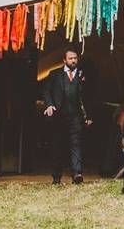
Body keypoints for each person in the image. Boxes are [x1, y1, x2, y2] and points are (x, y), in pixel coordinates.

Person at [43, 48, 92, 185]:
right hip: (58, 115)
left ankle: (77, 174)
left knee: (76, 144)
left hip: (75, 116)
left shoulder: (82, 75)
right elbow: (46, 90)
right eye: (70, 58)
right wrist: (49, 105)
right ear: (64, 60)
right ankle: (56, 177)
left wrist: (89, 115)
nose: (73, 60)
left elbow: (88, 96)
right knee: (57, 145)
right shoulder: (54, 74)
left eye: (75, 58)